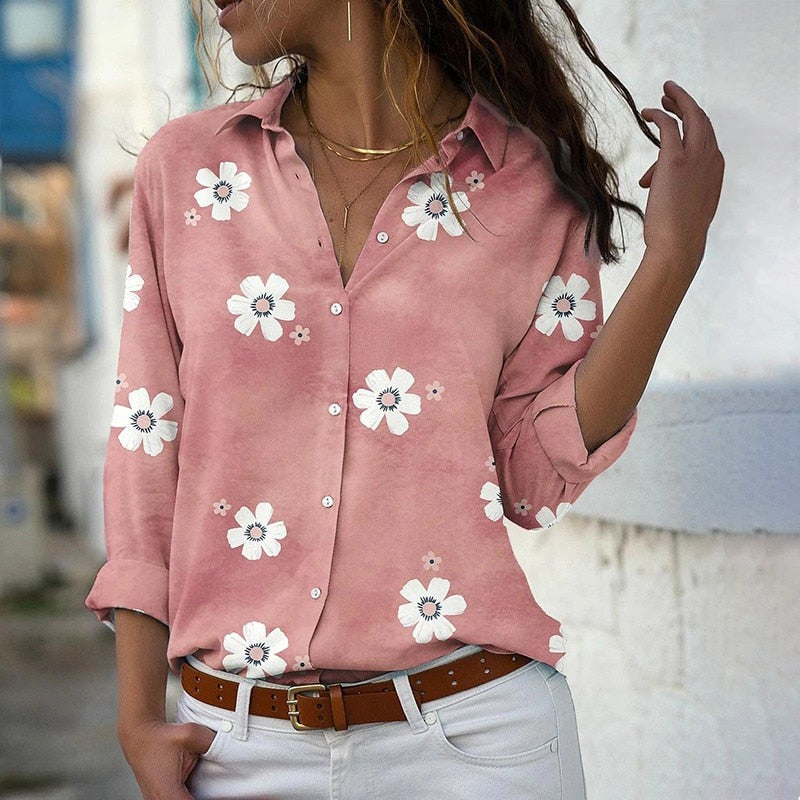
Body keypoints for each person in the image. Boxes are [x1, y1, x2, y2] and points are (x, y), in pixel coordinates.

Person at [84, 1, 724, 797]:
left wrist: (671, 261)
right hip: (235, 748)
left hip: (475, 744)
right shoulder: (187, 169)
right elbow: (147, 448)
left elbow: (531, 479)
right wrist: (137, 718)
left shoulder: (530, 186)